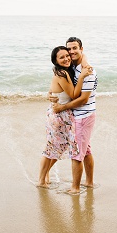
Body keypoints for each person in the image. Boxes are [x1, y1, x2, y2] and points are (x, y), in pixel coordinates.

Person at [37, 46, 90, 188]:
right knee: (52, 148)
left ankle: (45, 175)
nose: (66, 58)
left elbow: (83, 56)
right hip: (59, 116)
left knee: (56, 147)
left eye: (67, 55)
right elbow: (73, 95)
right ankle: (41, 181)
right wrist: (82, 77)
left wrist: (83, 63)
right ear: (55, 61)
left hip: (58, 114)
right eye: (62, 57)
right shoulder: (62, 73)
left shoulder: (63, 71)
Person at [52, 37, 97, 195]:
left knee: (77, 154)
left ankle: (75, 188)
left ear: (81, 49)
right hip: (79, 115)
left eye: (74, 48)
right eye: (69, 49)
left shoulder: (88, 71)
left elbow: (83, 99)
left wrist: (61, 107)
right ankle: (89, 183)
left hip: (83, 115)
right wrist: (52, 97)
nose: (71, 52)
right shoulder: (75, 68)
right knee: (86, 151)